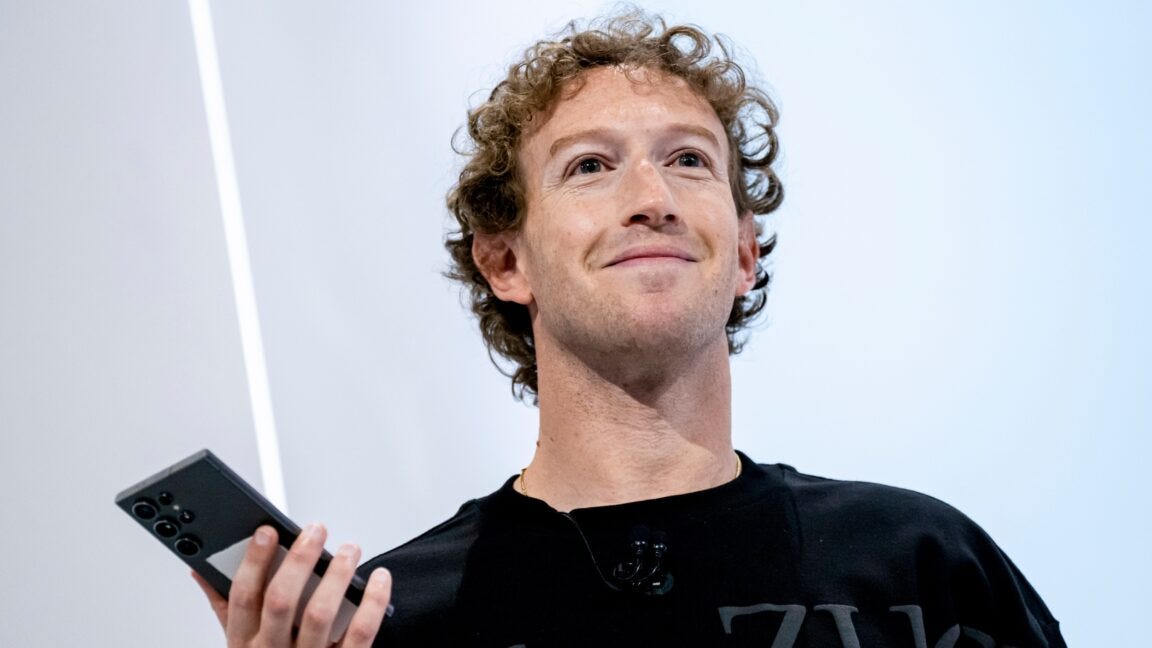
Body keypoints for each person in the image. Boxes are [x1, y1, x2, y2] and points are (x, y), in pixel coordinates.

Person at [195, 12, 1067, 647]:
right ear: (506, 262)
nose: (653, 199)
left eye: (689, 159)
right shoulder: (392, 620)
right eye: (590, 166)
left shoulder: (924, 564)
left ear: (744, 253)